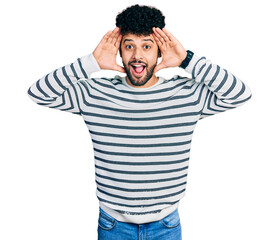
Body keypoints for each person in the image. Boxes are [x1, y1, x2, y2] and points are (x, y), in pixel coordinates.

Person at [27, 4, 252, 240]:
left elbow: (240, 94)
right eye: (129, 46)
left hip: (165, 226)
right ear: (119, 52)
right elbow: (39, 93)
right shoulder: (93, 94)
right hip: (113, 225)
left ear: (159, 51)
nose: (137, 56)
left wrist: (187, 60)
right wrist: (91, 63)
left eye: (146, 46)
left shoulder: (187, 95)